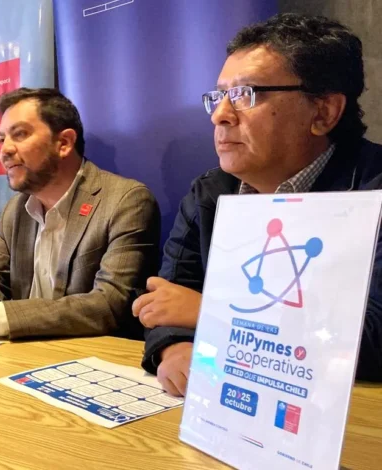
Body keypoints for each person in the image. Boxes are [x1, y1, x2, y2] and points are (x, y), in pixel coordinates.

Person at [136, 13, 382, 396]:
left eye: (245, 94)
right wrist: (175, 348)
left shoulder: (373, 190)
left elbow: (375, 337)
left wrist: (213, 312)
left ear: (323, 112)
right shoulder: (210, 193)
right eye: (219, 96)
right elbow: (168, 299)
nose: (220, 115)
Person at [0, 88, 160, 339]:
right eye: (2, 139)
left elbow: (110, 305)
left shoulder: (126, 201)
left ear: (64, 143)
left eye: (20, 134)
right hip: (25, 350)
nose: (4, 150)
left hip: (94, 352)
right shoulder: (15, 209)